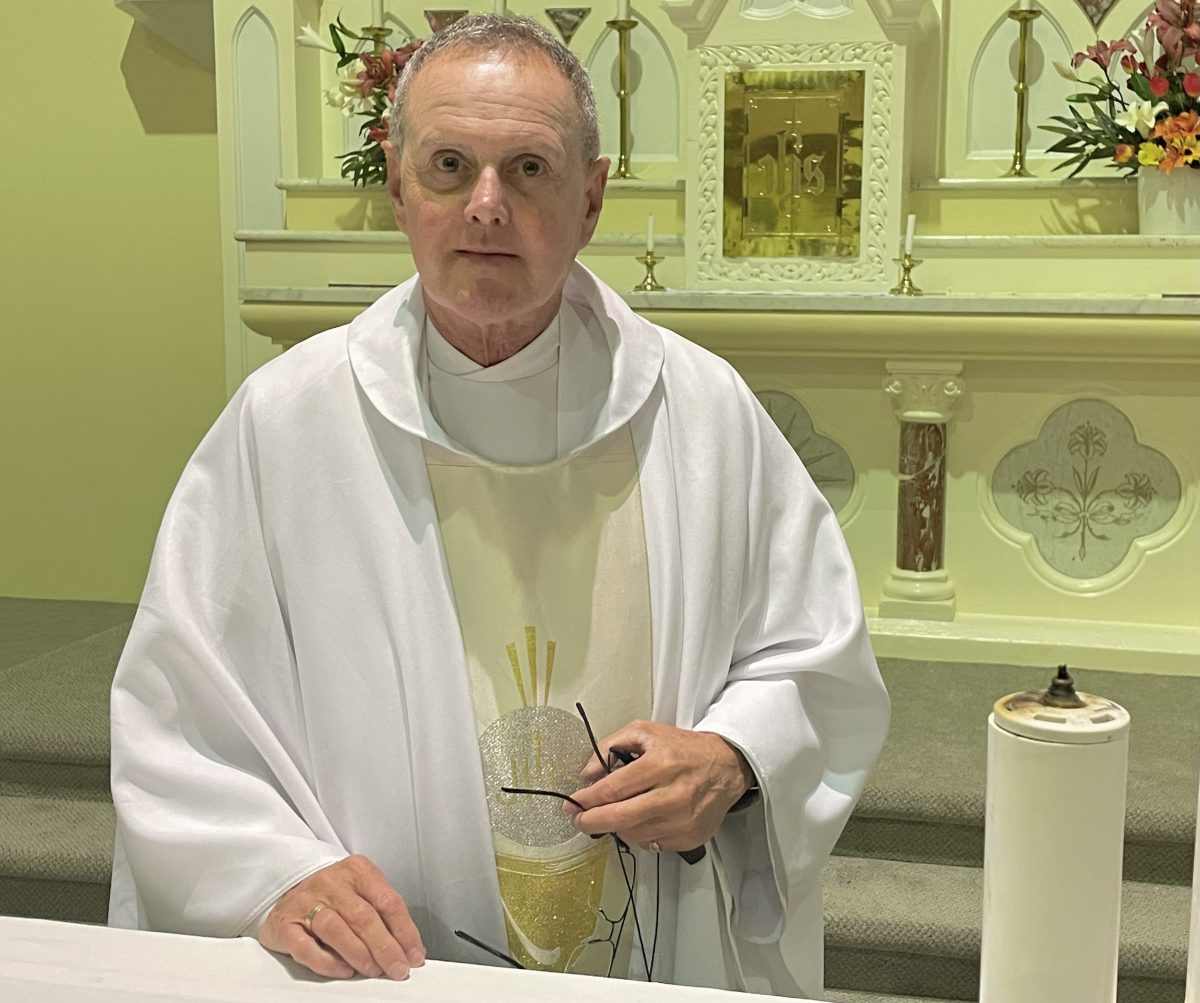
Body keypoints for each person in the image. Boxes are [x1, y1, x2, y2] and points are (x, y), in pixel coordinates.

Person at [108, 14, 889, 998]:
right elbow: (180, 715)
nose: (485, 207)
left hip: (650, 948)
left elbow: (815, 653)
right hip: (382, 969)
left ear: (592, 197)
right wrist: (274, 873)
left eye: (529, 169)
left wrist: (736, 754)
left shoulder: (702, 412)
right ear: (397, 185)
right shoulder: (285, 426)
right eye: (448, 165)